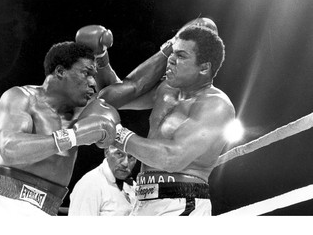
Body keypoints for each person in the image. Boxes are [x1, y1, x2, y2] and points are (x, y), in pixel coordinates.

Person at [0, 25, 120, 216]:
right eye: (86, 73)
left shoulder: (85, 110)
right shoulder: (21, 97)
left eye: (94, 75)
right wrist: (73, 136)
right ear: (59, 72)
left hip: (47, 208)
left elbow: (128, 91)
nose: (92, 82)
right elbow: (10, 149)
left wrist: (103, 56)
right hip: (2, 202)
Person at [98, 18, 236, 215]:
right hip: (143, 201)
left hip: (181, 204)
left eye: (180, 55)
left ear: (204, 68)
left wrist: (117, 135)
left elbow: (172, 158)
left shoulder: (216, 105)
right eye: (172, 53)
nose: (170, 60)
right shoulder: (166, 91)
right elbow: (111, 99)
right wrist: (101, 59)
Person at [68, 145, 137, 216]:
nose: (125, 163)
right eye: (119, 154)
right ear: (107, 152)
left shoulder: (133, 186)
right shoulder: (90, 184)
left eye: (131, 157)